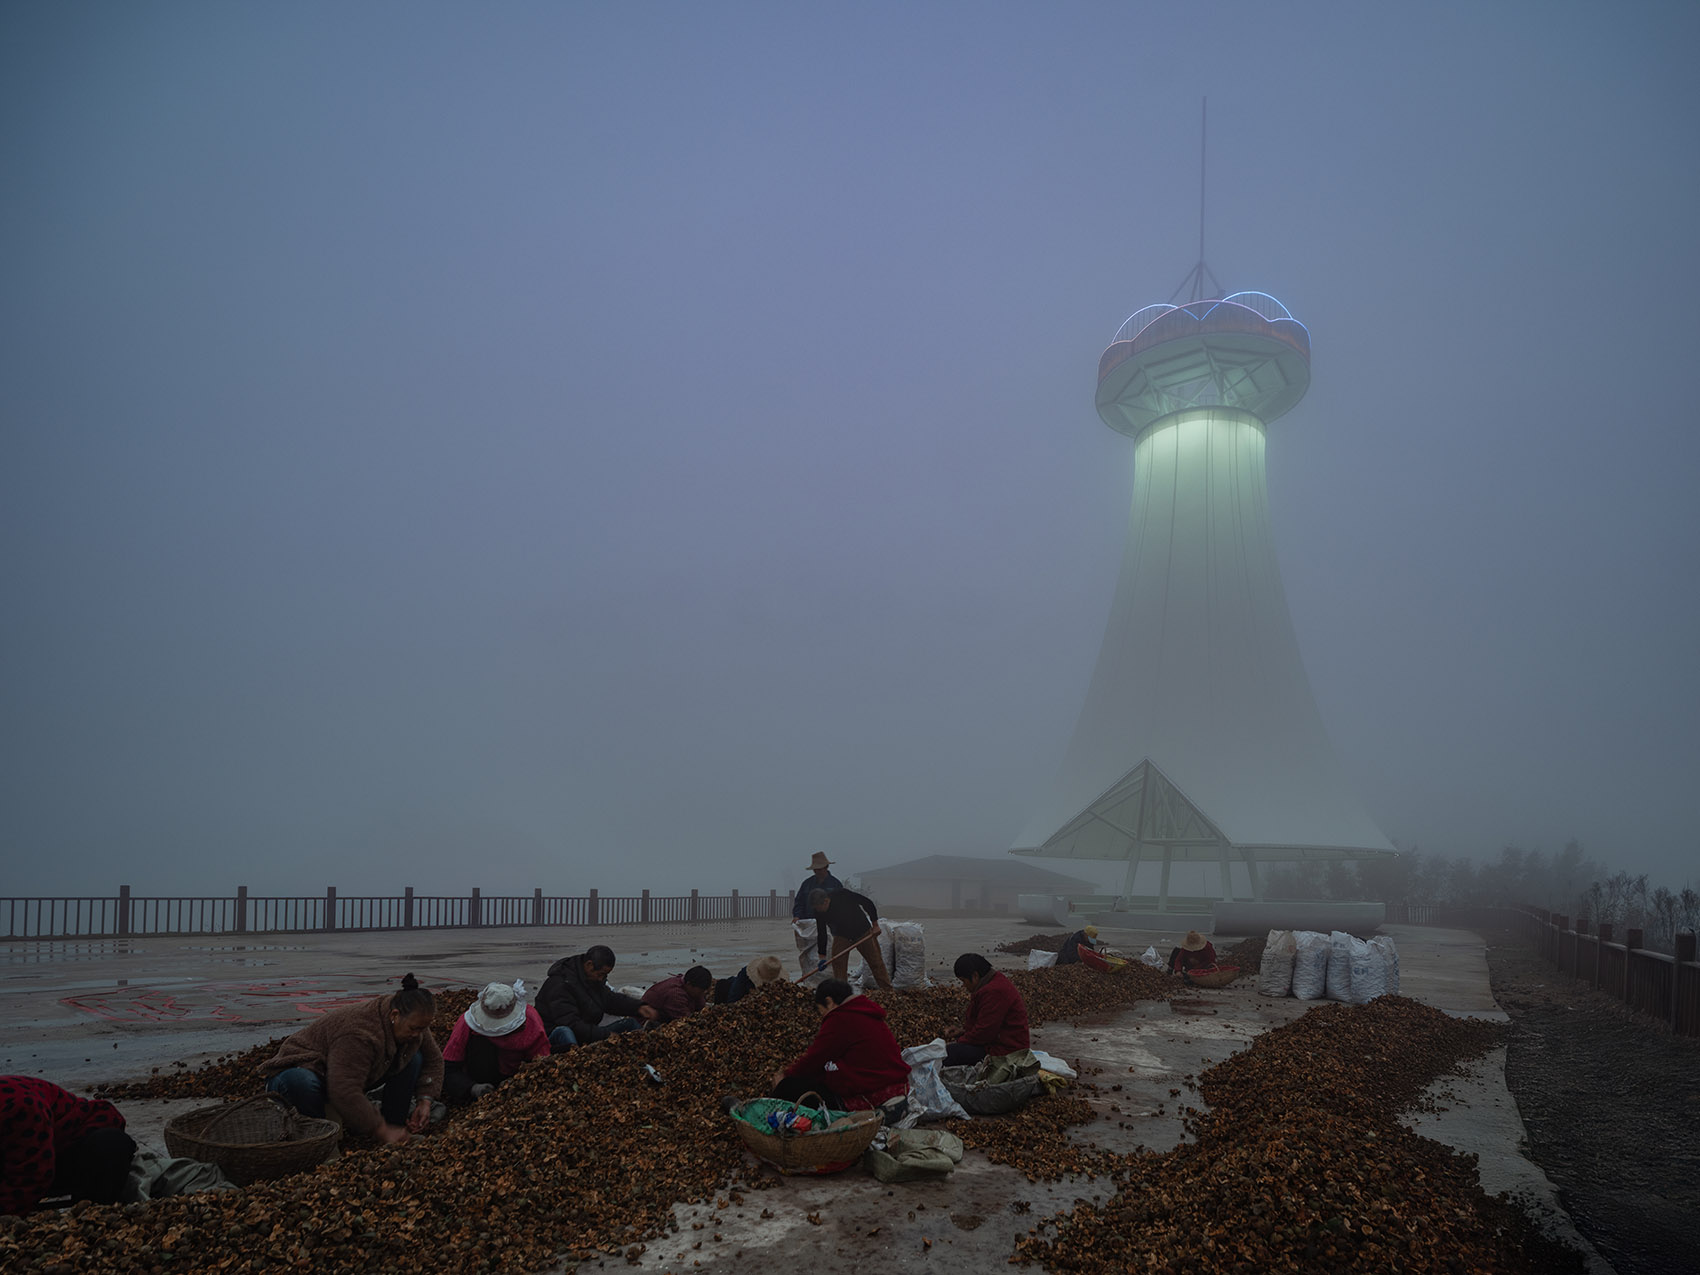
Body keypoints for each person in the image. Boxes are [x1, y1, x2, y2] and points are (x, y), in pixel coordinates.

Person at [260, 973, 441, 1144]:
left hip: (336, 1073)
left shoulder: (411, 1019)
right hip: (294, 1075)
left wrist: (425, 1101)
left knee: (414, 1058)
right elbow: (343, 1089)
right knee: (301, 1081)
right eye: (414, 1029)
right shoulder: (360, 1033)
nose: (417, 1034)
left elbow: (434, 1060)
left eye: (422, 1029)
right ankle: (320, 1140)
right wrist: (380, 1129)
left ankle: (395, 1127)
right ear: (394, 1015)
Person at [0, 1076, 135, 1214]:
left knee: (109, 1143)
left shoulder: (19, 1106)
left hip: (76, 1147)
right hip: (25, 1150)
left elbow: (33, 1175)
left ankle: (96, 1209)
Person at [769, 978, 908, 1111]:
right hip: (896, 1086)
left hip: (869, 1094)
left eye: (821, 1011)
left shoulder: (840, 1018)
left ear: (829, 1002)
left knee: (788, 1087)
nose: (822, 1016)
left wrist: (786, 1075)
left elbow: (815, 1059)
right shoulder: (866, 1011)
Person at [441, 980, 549, 1103]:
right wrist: (471, 1088)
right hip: (481, 1076)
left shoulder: (530, 1020)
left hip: (520, 1082)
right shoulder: (467, 1024)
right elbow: (448, 1068)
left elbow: (541, 1064)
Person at [538, 945, 659, 1051]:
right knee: (565, 1031)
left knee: (630, 1024)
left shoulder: (592, 980)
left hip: (585, 1034)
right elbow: (571, 1024)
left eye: (605, 975)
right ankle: (576, 1061)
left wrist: (638, 1007)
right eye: (601, 974)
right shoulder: (560, 984)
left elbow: (610, 1000)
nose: (602, 979)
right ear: (589, 965)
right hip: (557, 1040)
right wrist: (605, 1035)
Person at [944, 953, 1031, 1068]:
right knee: (951, 1050)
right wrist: (962, 1032)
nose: (963, 985)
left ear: (975, 976)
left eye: (963, 981)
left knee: (949, 1053)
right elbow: (984, 1025)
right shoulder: (991, 983)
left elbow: (984, 1033)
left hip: (1008, 1051)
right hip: (996, 1043)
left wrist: (961, 1040)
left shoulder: (995, 991)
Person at [809, 886, 892, 989]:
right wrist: (822, 957)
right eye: (815, 908)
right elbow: (821, 932)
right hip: (841, 935)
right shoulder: (818, 912)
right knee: (838, 964)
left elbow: (867, 903)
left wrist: (875, 925)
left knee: (875, 962)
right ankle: (842, 992)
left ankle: (887, 990)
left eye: (818, 907)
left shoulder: (843, 895)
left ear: (825, 901)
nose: (818, 910)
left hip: (862, 931)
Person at [642, 965, 714, 1023]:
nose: (702, 994)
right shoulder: (676, 994)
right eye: (701, 991)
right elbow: (686, 1020)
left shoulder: (687, 986)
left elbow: (700, 1006)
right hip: (646, 1022)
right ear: (689, 984)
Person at [790, 852, 843, 920]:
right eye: (815, 870)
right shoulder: (806, 884)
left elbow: (840, 906)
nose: (817, 872)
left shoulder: (836, 884)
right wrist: (797, 916)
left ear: (826, 867)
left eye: (819, 869)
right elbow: (799, 902)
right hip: (808, 921)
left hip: (829, 921)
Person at [716, 954, 786, 1004]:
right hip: (729, 988)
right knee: (722, 985)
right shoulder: (745, 975)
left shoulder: (780, 986)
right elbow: (733, 999)